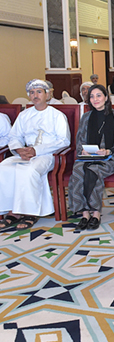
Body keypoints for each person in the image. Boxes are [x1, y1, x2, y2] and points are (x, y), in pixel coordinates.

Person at [0, 79, 70, 230]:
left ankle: (30, 213)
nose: (35, 95)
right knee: (3, 167)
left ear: (47, 95)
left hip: (48, 155)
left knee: (28, 171)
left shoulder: (57, 115)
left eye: (39, 92)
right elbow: (14, 136)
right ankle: (12, 212)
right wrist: (19, 149)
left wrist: (36, 151)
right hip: (25, 153)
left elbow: (63, 141)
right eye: (32, 93)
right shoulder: (24, 115)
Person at [68, 84, 114, 230]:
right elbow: (80, 139)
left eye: (98, 95)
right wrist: (83, 151)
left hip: (111, 158)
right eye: (92, 96)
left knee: (93, 171)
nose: (95, 99)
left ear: (106, 97)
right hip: (89, 157)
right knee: (78, 170)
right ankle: (84, 214)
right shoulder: (86, 117)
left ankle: (95, 213)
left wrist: (108, 151)